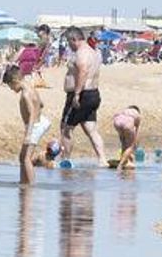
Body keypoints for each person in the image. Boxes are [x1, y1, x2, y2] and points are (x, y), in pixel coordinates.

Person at [59, 27, 107, 163]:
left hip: (82, 95)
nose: (69, 45)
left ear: (74, 39)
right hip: (93, 94)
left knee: (66, 128)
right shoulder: (94, 52)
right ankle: (102, 160)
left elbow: (83, 71)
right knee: (90, 128)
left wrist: (76, 94)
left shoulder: (82, 53)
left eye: (69, 42)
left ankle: (65, 160)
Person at [4, 64, 47, 184]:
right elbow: (41, 104)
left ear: (15, 81)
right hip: (38, 123)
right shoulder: (30, 87)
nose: (11, 89)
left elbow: (32, 113)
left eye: (10, 86)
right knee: (22, 157)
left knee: (26, 158)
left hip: (34, 127)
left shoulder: (25, 94)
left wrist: (28, 134)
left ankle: (30, 185)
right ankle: (23, 182)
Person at [110, 105, 142, 169]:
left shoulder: (124, 111)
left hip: (117, 122)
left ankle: (123, 160)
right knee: (130, 146)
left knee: (124, 143)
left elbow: (115, 117)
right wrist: (134, 144)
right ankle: (120, 165)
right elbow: (137, 131)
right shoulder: (137, 115)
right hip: (128, 123)